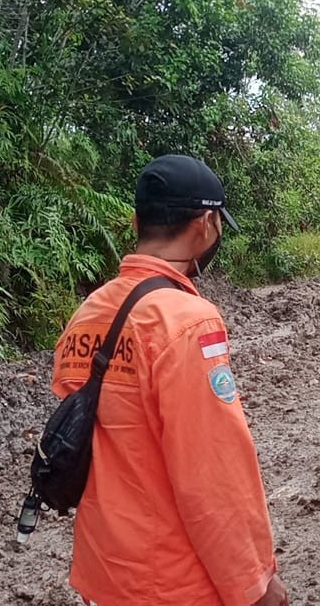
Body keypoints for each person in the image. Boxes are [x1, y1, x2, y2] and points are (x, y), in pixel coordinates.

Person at [50, 154, 288, 606]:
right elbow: (211, 472)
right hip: (175, 580)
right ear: (206, 224)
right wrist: (253, 582)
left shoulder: (87, 314)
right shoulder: (188, 322)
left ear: (138, 219)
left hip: (106, 569)